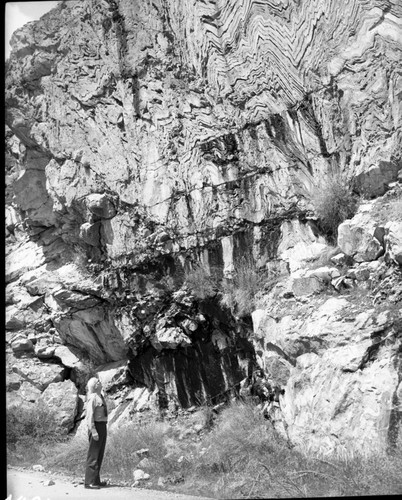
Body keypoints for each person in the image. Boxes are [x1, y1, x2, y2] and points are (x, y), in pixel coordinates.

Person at [84, 377, 108, 489]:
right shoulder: (93, 397)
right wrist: (93, 431)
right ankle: (89, 482)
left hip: (102, 426)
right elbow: (89, 416)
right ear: (94, 386)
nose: (100, 382)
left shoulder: (100, 396)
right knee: (93, 455)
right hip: (96, 426)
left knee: (99, 454)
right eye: (97, 381)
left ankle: (96, 480)